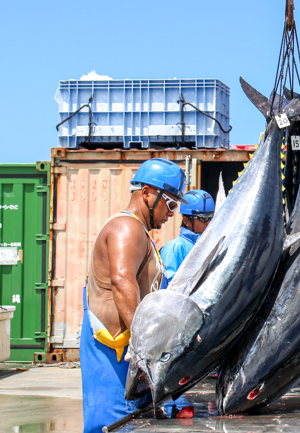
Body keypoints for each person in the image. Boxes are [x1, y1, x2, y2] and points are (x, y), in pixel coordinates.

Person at [80, 158, 185, 433]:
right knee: (117, 425)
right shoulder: (127, 228)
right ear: (148, 193)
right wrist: (145, 349)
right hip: (116, 352)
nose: (172, 213)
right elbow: (121, 281)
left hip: (123, 350)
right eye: (171, 204)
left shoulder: (139, 231)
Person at [160, 189, 215, 285]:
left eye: (211, 218)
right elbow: (168, 286)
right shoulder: (175, 247)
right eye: (203, 218)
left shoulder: (211, 244)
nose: (208, 222)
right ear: (186, 220)